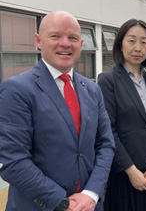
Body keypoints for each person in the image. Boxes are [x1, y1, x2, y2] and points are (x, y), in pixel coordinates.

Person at [0, 11, 115, 211]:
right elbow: (13, 161)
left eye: (72, 38)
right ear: (39, 41)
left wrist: (91, 194)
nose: (65, 43)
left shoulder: (92, 89)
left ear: (80, 44)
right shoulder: (17, 90)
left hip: (89, 206)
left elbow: (105, 144)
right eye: (55, 36)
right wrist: (63, 202)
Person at [98, 19, 146, 211]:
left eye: (144, 42)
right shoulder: (107, 81)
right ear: (120, 44)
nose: (138, 47)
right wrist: (131, 170)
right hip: (124, 173)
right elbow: (108, 130)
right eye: (132, 41)